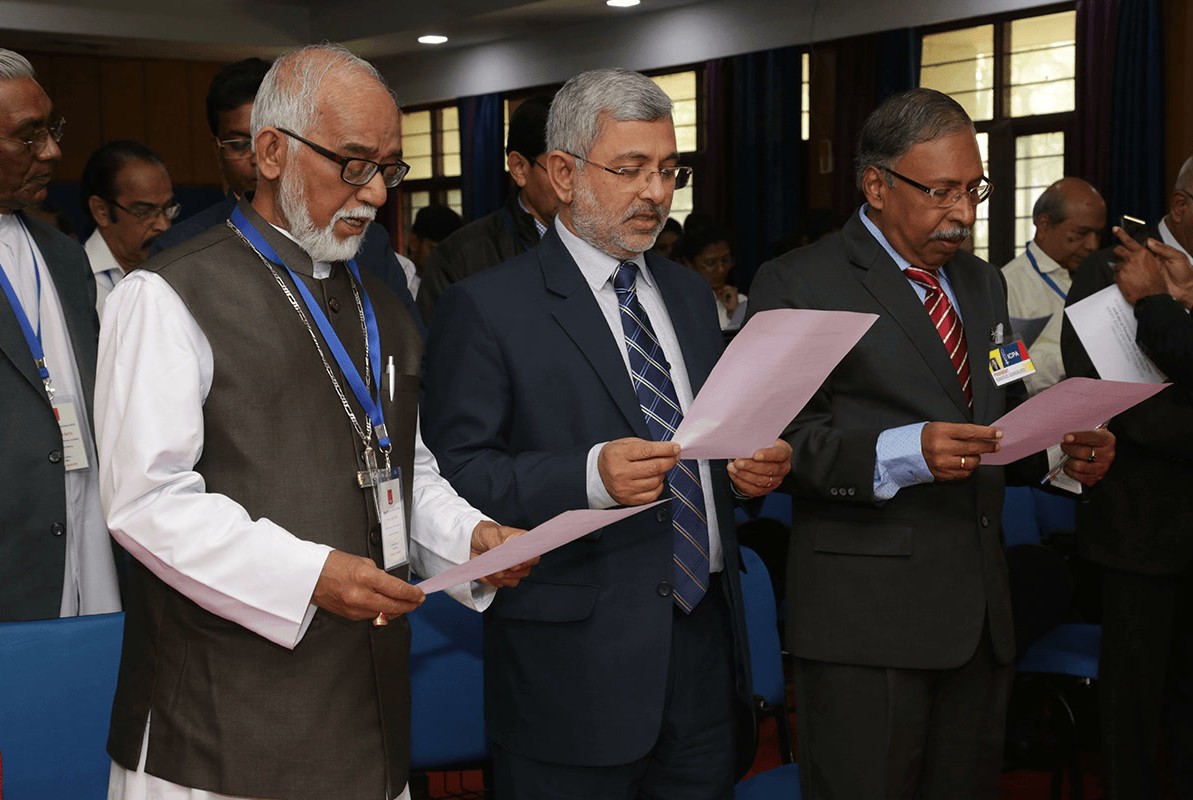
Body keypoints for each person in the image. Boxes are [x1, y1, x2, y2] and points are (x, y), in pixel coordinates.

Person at [98, 43, 531, 800]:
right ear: (270, 152)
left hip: (366, 712)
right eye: (354, 164)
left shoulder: (379, 301)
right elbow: (147, 501)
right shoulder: (166, 293)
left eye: (388, 169)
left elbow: (404, 469)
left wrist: (469, 539)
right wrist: (312, 575)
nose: (376, 193)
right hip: (219, 727)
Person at [418, 67, 792, 800]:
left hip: (704, 648)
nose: (655, 192)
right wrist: (588, 476)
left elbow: (703, 439)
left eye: (668, 170)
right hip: (572, 670)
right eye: (630, 169)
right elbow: (457, 473)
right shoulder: (488, 307)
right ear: (562, 174)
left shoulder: (688, 296)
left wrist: (747, 467)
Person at [748, 87, 1114, 800]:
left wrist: (1061, 454)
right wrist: (905, 451)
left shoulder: (981, 285)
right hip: (866, 622)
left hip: (979, 617)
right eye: (941, 191)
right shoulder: (800, 281)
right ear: (876, 186)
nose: (964, 213)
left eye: (974, 189)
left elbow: (1006, 407)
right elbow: (780, 443)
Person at [1062, 162, 1193, 799]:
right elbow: (1115, 401)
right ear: (1181, 205)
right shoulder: (1110, 267)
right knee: (1133, 703)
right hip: (1140, 521)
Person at [146, 56, 422, 330]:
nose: (254, 156)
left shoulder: (370, 242)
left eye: (384, 168)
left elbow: (409, 344)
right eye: (240, 143)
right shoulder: (179, 256)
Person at [0, 48, 121, 622]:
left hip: (88, 544)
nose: (52, 152)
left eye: (52, 130)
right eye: (28, 137)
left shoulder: (66, 258)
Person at [417, 94, 555, 321]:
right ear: (519, 168)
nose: (575, 183)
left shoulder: (604, 244)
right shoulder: (458, 259)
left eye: (583, 167)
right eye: (560, 169)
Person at [148, 57, 269, 254]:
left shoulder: (319, 235)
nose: (257, 159)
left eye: (270, 142)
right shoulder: (180, 247)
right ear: (217, 150)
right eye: (239, 144)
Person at [1001, 177, 1106, 396]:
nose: (1092, 245)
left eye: (1098, 234)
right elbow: (1005, 372)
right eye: (1081, 233)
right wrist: (1078, 360)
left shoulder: (1101, 275)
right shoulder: (1009, 286)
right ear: (1044, 224)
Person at [80, 140, 177, 315]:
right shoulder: (75, 282)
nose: (163, 225)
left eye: (167, 208)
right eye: (144, 212)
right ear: (101, 211)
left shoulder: (176, 270)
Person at [676, 218, 746, 329]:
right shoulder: (678, 305)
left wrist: (735, 313)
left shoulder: (740, 302)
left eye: (726, 260)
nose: (721, 269)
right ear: (688, 264)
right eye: (710, 263)